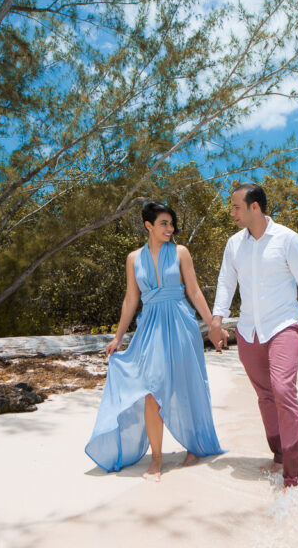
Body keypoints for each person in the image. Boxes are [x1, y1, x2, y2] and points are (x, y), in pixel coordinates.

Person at [85, 201, 225, 482]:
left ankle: (193, 447)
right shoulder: (133, 259)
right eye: (164, 223)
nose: (170, 228)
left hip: (181, 322)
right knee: (151, 390)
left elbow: (195, 291)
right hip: (150, 327)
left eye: (172, 224)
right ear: (148, 225)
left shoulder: (181, 252)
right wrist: (118, 338)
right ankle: (157, 459)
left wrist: (212, 324)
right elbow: (130, 299)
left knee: (187, 385)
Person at [208, 183, 298, 488]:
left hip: (283, 325)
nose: (232, 212)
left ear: (254, 207)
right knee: (265, 396)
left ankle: (292, 475)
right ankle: (278, 457)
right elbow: (225, 284)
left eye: (236, 207)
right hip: (249, 332)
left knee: (283, 390)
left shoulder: (288, 240)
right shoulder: (234, 245)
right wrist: (216, 321)